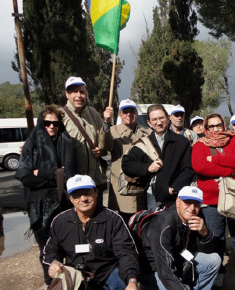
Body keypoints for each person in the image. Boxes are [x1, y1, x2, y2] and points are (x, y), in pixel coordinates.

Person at [43, 175, 141, 290]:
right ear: (70, 198)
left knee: (124, 285)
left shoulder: (113, 219)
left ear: (96, 193)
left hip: (107, 270)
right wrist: (53, 262)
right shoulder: (60, 222)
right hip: (79, 276)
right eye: (77, 195)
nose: (83, 199)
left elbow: (126, 251)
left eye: (87, 192)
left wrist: (133, 280)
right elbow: (49, 251)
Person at [15, 105, 76, 290]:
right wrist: (56, 173)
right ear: (42, 123)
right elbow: (24, 176)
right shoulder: (32, 143)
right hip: (38, 208)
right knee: (46, 251)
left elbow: (69, 176)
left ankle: (71, 286)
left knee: (69, 247)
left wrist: (39, 172)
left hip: (63, 204)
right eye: (47, 123)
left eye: (55, 123)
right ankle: (51, 287)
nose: (51, 127)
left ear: (60, 125)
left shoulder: (67, 143)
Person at [191, 113, 235, 288]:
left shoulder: (233, 140)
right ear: (206, 128)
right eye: (211, 126)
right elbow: (200, 166)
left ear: (223, 124)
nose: (215, 129)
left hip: (234, 196)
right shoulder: (199, 145)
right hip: (211, 200)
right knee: (216, 237)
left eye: (218, 125)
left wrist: (217, 160)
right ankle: (218, 271)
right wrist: (230, 171)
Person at [140, 186, 221, 290]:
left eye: (196, 204)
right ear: (178, 202)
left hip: (177, 261)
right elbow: (165, 270)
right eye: (187, 202)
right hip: (152, 271)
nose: (192, 208)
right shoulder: (163, 223)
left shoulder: (195, 218)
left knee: (214, 260)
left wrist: (205, 234)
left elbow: (203, 251)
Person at [122, 104, 195, 209]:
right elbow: (126, 164)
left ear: (168, 118)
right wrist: (147, 168)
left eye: (161, 118)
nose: (159, 122)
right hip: (151, 196)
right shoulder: (144, 143)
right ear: (149, 123)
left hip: (176, 196)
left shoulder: (181, 142)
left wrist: (173, 188)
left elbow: (188, 169)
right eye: (154, 119)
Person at [60, 76, 113, 205]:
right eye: (74, 92)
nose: (79, 95)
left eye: (82, 92)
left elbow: (105, 143)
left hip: (95, 180)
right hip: (73, 183)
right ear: (67, 94)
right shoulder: (59, 115)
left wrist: (106, 123)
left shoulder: (93, 113)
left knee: (97, 219)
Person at [108, 99, 149, 222]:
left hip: (143, 185)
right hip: (123, 186)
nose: (129, 115)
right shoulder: (112, 131)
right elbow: (104, 145)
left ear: (136, 113)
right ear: (120, 114)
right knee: (125, 220)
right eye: (125, 112)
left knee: (142, 220)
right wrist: (105, 123)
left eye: (132, 111)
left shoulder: (147, 131)